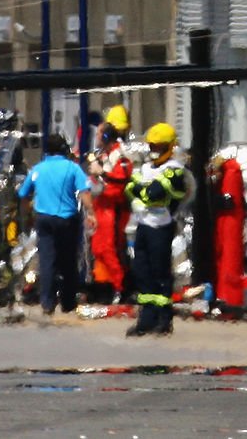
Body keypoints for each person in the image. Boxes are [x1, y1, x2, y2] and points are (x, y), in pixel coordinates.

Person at [124, 123, 193, 336]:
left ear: (170, 147)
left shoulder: (175, 169)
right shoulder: (147, 168)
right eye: (152, 146)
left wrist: (142, 190)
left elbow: (151, 194)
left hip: (161, 228)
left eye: (160, 147)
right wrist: (143, 190)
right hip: (143, 226)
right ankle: (146, 318)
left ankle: (164, 320)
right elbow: (129, 188)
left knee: (160, 273)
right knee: (141, 272)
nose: (155, 151)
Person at [17, 134, 93, 315]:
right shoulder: (72, 168)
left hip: (43, 220)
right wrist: (91, 213)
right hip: (67, 220)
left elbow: (23, 194)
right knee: (68, 261)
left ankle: (47, 303)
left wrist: (26, 215)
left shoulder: (38, 169)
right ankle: (68, 302)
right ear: (64, 149)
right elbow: (84, 192)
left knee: (47, 260)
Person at [88, 104, 133, 300]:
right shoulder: (105, 155)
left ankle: (120, 288)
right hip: (101, 208)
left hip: (113, 209)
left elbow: (120, 181)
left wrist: (102, 173)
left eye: (99, 133)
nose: (96, 137)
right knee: (98, 249)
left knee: (110, 249)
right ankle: (102, 286)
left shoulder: (120, 156)